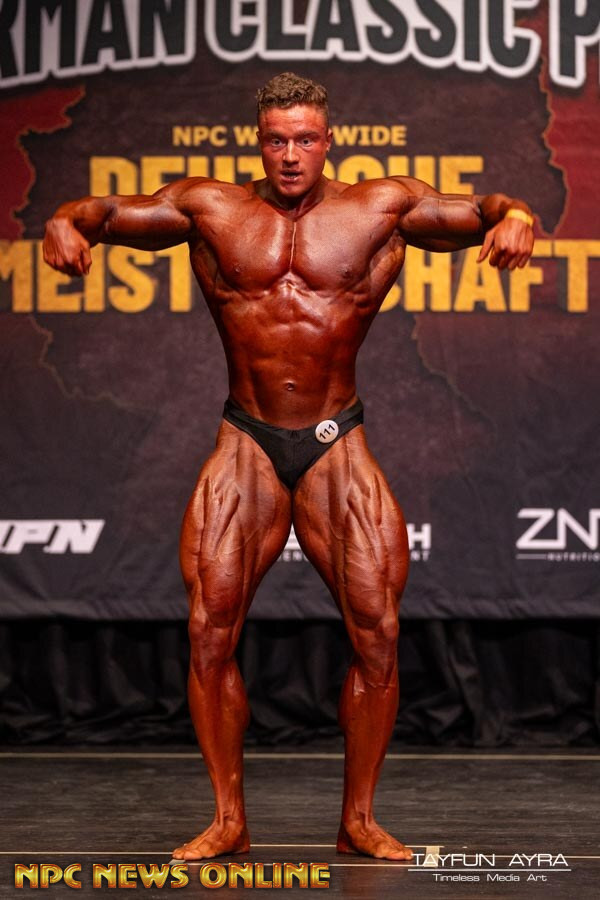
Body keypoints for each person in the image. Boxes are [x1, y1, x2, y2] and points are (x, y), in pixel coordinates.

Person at [43, 72, 535, 861]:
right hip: (248, 440)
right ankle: (227, 820)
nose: (291, 154)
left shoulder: (379, 208)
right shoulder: (211, 209)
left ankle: (359, 821)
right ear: (259, 142)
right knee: (208, 632)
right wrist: (65, 221)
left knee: (378, 632)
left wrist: (518, 216)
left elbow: (481, 209)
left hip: (338, 440)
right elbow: (103, 212)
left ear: (328, 140)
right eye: (277, 140)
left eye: (305, 138)